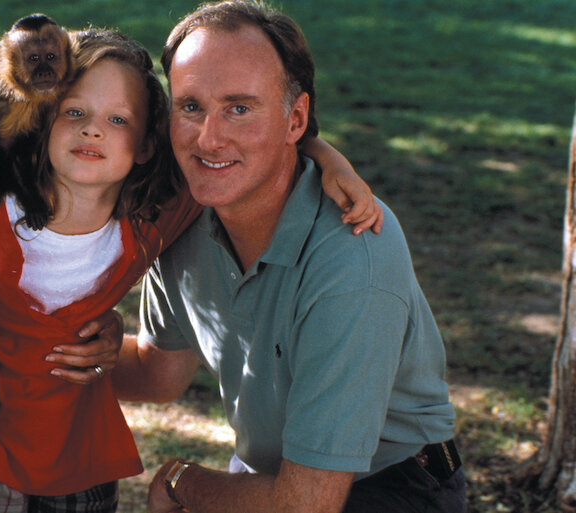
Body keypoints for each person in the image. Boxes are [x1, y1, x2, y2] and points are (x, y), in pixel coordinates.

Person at [0, 29, 381, 513]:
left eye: (117, 119)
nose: (93, 130)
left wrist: (326, 157)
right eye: (75, 113)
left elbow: (243, 152)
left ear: (147, 144)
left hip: (83, 456)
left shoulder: (155, 220)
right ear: (44, 119)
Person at [110, 2, 465, 512]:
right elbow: (156, 372)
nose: (208, 138)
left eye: (239, 108)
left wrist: (180, 482)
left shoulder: (352, 258)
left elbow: (305, 505)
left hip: (391, 486)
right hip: (279, 478)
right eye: (190, 106)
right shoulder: (184, 216)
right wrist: (50, 351)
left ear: (295, 118)